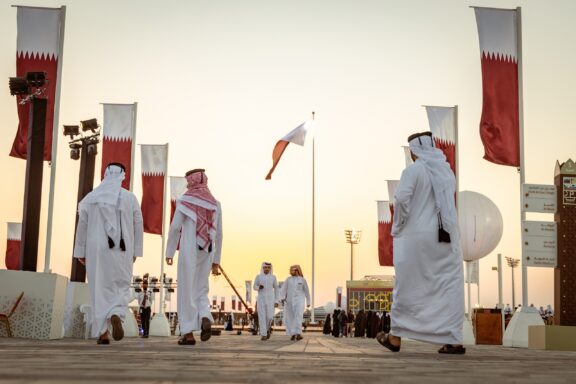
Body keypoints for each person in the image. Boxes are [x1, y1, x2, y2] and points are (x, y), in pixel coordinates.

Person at [376, 132, 465, 355]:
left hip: (417, 237)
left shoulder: (413, 170)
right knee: (449, 286)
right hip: (447, 237)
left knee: (407, 285)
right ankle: (453, 340)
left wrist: (398, 226)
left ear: (414, 151)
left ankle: (395, 337)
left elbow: (402, 199)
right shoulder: (447, 172)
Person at [73, 163, 144, 345]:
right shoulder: (130, 198)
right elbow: (138, 223)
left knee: (99, 289)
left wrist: (80, 251)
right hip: (123, 247)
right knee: (120, 284)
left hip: (96, 249)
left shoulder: (91, 197)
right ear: (123, 176)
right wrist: (136, 250)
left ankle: (103, 333)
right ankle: (115, 314)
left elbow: (82, 225)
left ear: (104, 174)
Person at [166, 169, 223, 346]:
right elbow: (219, 234)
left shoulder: (184, 201)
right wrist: (216, 261)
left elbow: (175, 227)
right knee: (201, 288)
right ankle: (205, 316)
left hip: (189, 248)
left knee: (186, 290)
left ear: (191, 181)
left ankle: (188, 333)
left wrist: (169, 252)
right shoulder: (215, 203)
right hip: (208, 250)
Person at [279, 265, 310, 341]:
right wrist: (282, 298)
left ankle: (298, 333)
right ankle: (293, 334)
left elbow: (307, 292)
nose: (291, 271)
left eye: (292, 270)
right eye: (290, 270)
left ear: (297, 271)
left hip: (300, 301)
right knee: (290, 318)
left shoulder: (302, 280)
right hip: (289, 301)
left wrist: (308, 302)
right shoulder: (288, 280)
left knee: (298, 317)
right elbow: (283, 289)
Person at [253, 262, 279, 341]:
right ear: (262, 268)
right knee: (262, 317)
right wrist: (258, 287)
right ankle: (263, 334)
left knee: (270, 317)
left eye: (268, 268)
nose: (267, 269)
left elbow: (277, 289)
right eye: (265, 267)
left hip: (271, 299)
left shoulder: (273, 277)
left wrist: (276, 300)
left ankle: (267, 329)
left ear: (270, 268)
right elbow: (254, 286)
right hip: (261, 299)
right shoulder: (258, 277)